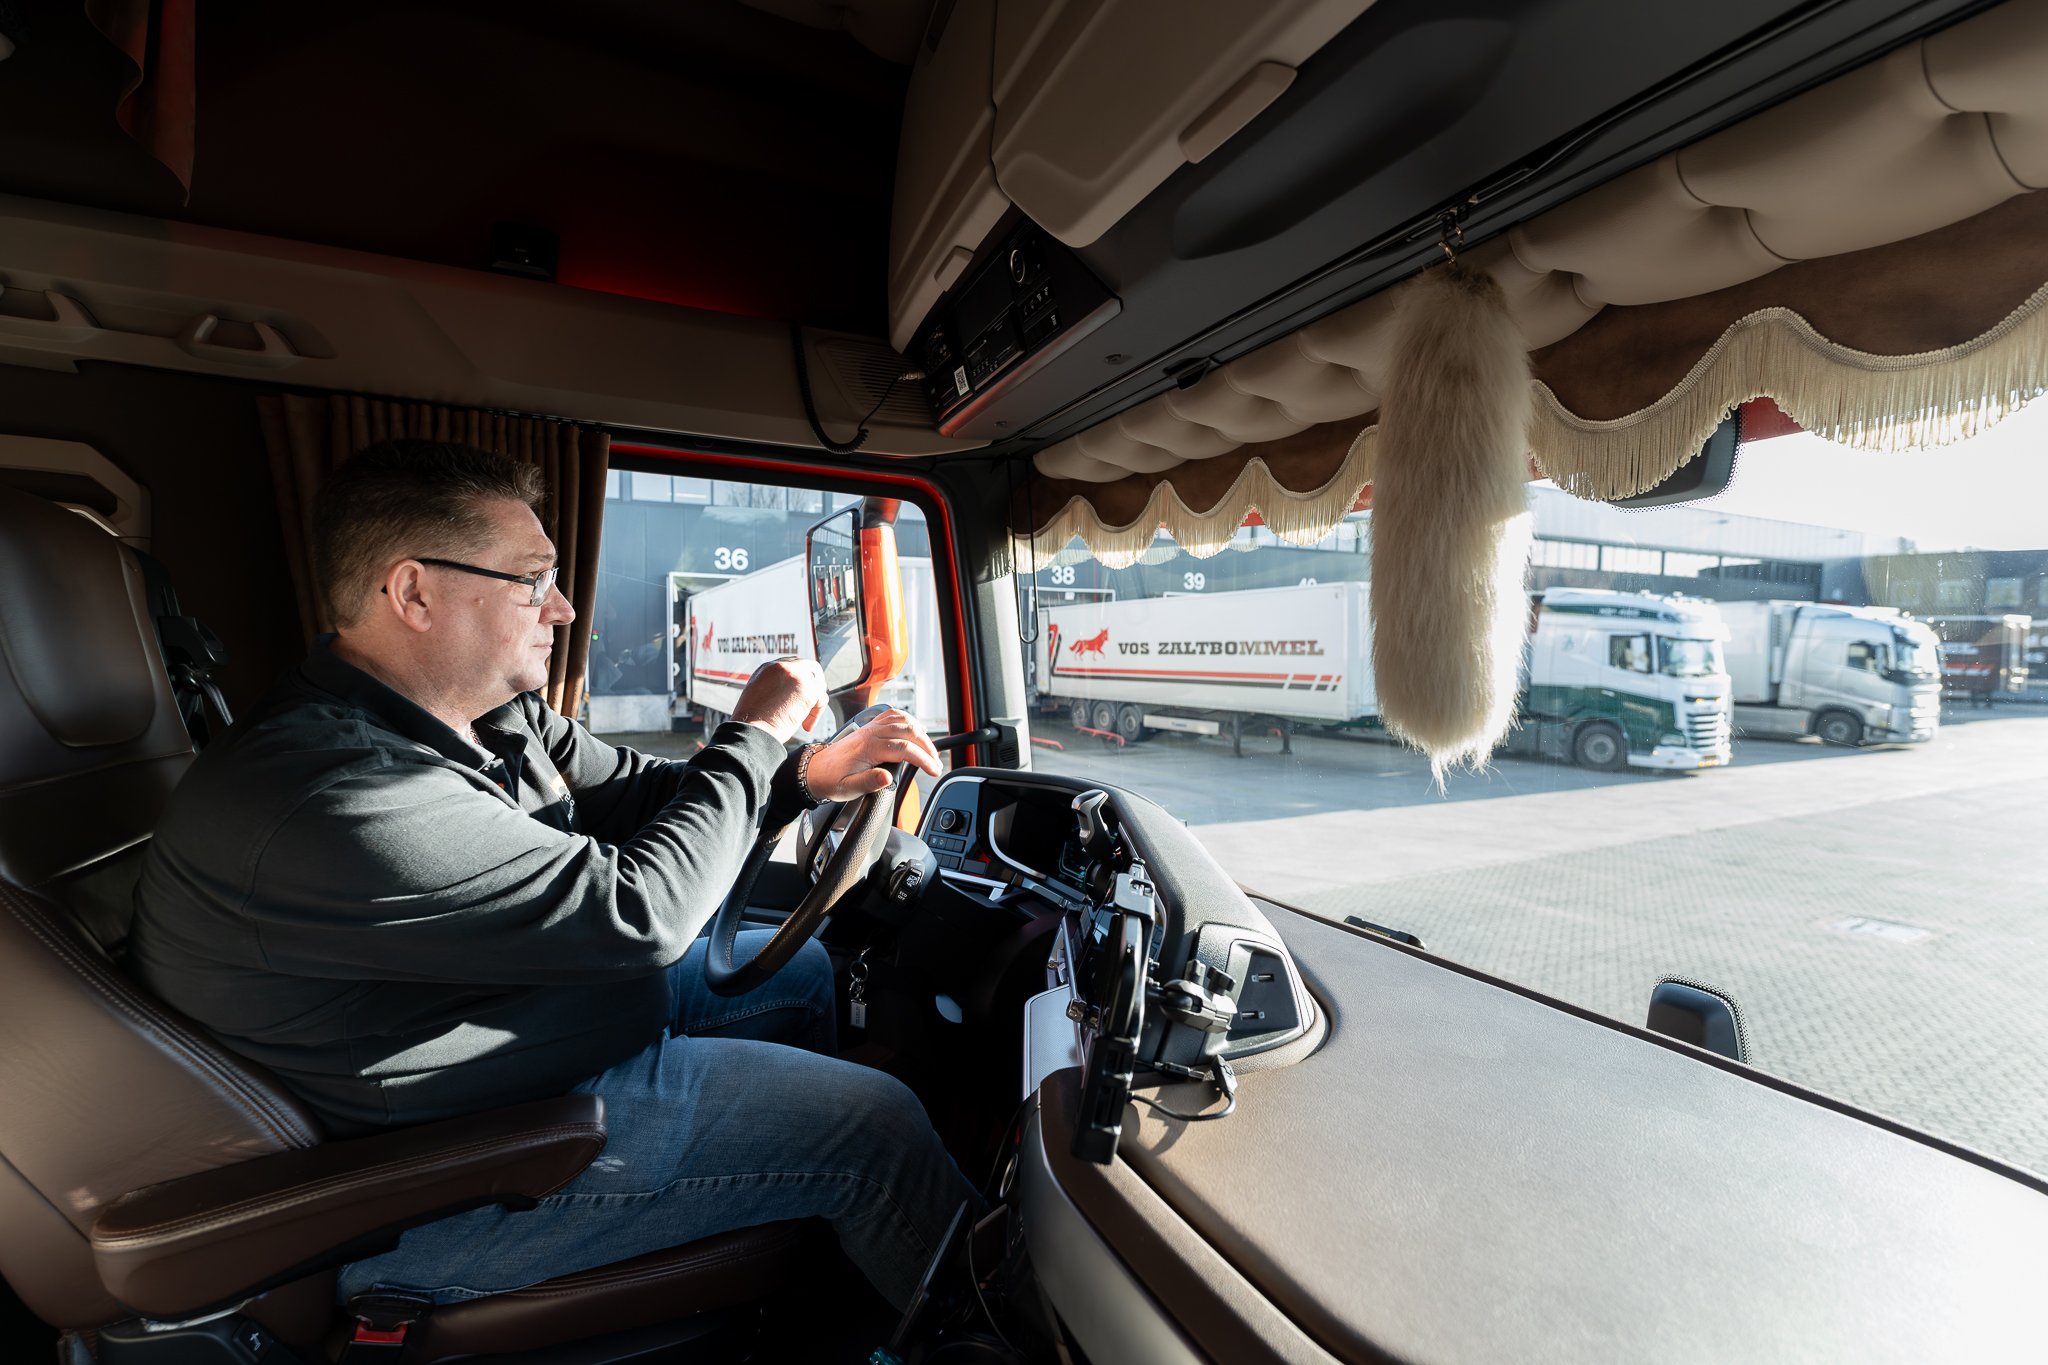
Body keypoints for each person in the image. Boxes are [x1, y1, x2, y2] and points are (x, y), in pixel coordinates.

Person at [128, 440, 979, 1312]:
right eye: (532, 580)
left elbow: (649, 801)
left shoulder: (486, 714)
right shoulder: (337, 791)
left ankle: (810, 1221)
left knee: (801, 974)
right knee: (872, 1124)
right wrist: (755, 735)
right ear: (413, 591)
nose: (565, 609)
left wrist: (798, 777)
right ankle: (977, 1322)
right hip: (461, 1159)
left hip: (529, 1033)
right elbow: (643, 913)